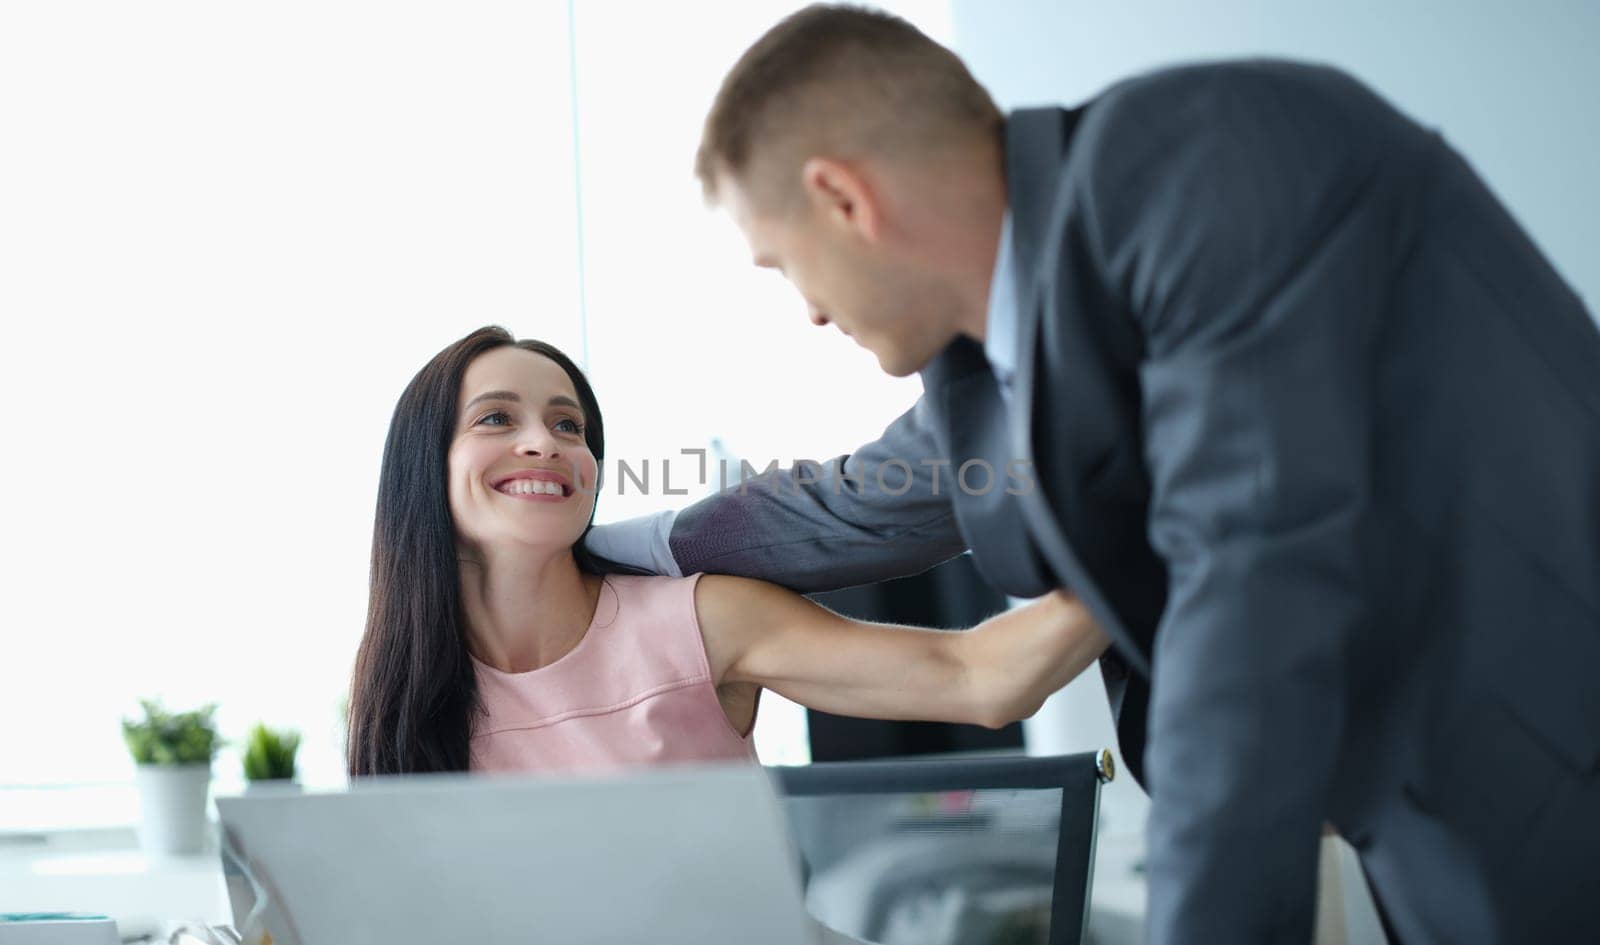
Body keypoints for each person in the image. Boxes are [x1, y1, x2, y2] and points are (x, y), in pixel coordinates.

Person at [584, 5, 1600, 943]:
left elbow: (1246, 599)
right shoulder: (986, 368)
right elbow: (839, 510)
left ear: (842, 198)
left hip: (1551, 744)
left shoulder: (1205, 159)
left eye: (779, 264)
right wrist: (587, 542)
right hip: (1423, 811)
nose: (805, 309)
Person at [345, 325, 1108, 779]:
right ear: (425, 466)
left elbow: (979, 680)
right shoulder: (407, 690)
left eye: (570, 425)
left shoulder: (699, 618)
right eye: (496, 418)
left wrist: (1168, 531)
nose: (543, 442)